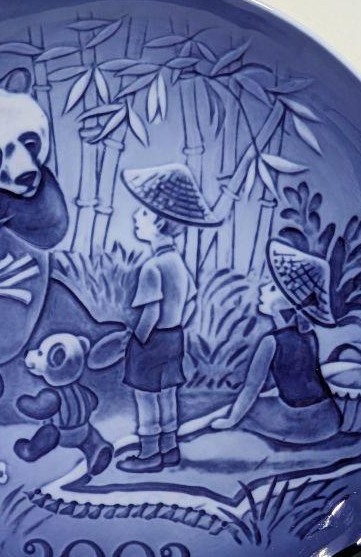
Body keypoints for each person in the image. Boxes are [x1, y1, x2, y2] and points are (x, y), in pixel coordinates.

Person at [117, 163, 221, 472]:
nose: (136, 217)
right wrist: (176, 325)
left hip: (152, 340)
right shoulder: (177, 264)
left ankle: (149, 453)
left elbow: (150, 312)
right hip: (174, 338)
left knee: (146, 396)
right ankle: (170, 447)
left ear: (159, 222)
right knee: (168, 393)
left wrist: (136, 338)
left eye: (143, 213)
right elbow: (189, 303)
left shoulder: (153, 268)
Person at [210, 239, 341, 444]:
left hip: (300, 422)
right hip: (330, 418)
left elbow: (251, 387)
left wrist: (231, 420)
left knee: (251, 411)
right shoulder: (309, 335)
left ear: (287, 302)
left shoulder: (271, 342)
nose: (263, 289)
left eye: (272, 288)